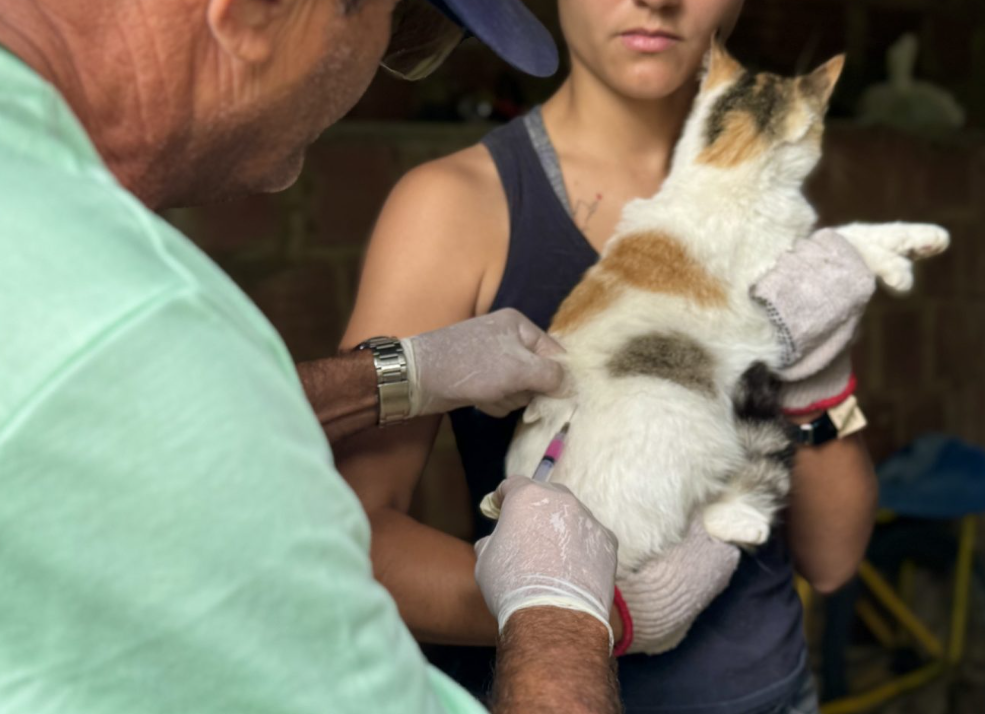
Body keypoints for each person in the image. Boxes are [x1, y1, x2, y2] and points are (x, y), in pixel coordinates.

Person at [0, 0, 630, 712]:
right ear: (251, 13)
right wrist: (563, 612)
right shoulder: (130, 329)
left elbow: (108, 415)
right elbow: (129, 388)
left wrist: (395, 375)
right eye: (393, 30)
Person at [337, 0, 882, 711]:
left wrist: (821, 383)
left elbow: (834, 560)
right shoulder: (455, 208)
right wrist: (582, 610)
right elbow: (350, 533)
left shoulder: (773, 200)